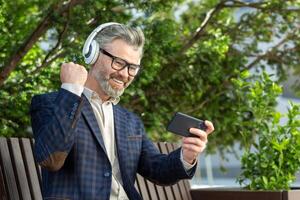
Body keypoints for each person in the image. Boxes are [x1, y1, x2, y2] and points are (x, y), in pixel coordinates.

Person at [30, 22, 214, 200]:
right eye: (118, 63)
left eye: (132, 67)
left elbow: (157, 169)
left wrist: (187, 156)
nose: (125, 74)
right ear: (92, 54)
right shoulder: (52, 103)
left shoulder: (130, 121)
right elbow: (50, 159)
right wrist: (70, 90)